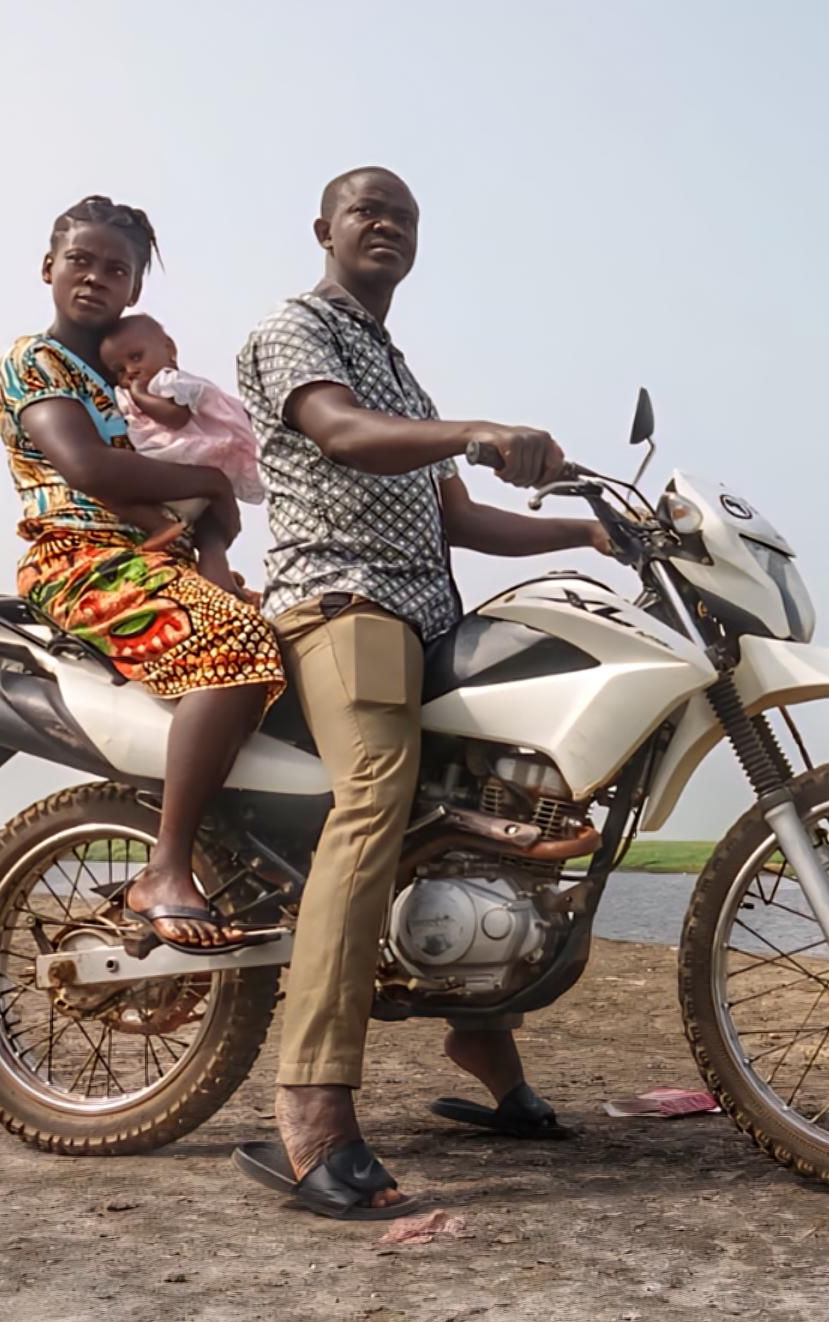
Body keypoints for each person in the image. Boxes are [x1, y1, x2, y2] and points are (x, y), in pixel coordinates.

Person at [228, 166, 612, 1219]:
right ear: (326, 229)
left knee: (490, 810)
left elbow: (460, 521)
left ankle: (485, 1044)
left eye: (402, 215)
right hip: (342, 602)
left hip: (425, 614)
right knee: (377, 797)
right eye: (368, 211)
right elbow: (340, 433)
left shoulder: (405, 376)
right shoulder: (293, 328)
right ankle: (309, 1109)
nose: (386, 225)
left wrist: (591, 530)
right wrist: (479, 432)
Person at [0, 196, 284, 954]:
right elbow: (87, 468)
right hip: (80, 561)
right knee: (234, 646)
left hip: (162, 560)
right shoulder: (38, 362)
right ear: (48, 268)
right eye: (81, 261)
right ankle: (165, 866)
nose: (95, 277)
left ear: (133, 291)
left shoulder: (135, 385)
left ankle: (251, 858)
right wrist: (210, 490)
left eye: (114, 268)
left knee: (299, 645)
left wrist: (215, 539)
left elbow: (211, 503)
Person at [98, 314, 266, 592]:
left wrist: (140, 396)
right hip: (191, 486)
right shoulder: (134, 389)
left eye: (137, 358)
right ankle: (224, 586)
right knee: (209, 541)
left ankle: (159, 526)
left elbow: (175, 417)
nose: (130, 371)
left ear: (170, 350)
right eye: (119, 369)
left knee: (111, 488)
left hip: (177, 464)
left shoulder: (166, 382)